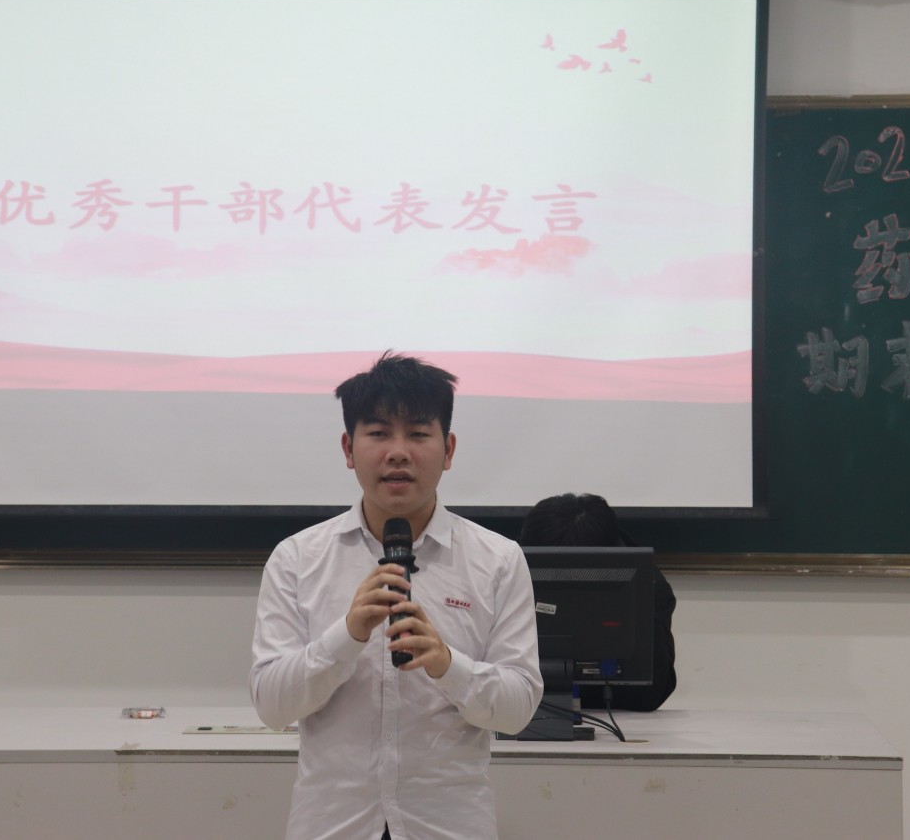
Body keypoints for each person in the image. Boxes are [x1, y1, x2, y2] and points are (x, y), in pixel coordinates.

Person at [251, 352, 543, 840]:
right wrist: (346, 636)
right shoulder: (298, 558)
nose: (398, 452)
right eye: (379, 433)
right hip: (333, 826)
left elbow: (518, 711)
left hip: (447, 827)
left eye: (419, 434)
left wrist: (447, 664)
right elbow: (271, 706)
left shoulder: (497, 559)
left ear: (448, 450)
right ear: (349, 448)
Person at [518, 492, 677, 712]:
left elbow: (651, 692)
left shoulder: (646, 586)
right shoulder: (505, 572)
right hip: (519, 710)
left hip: (615, 715)